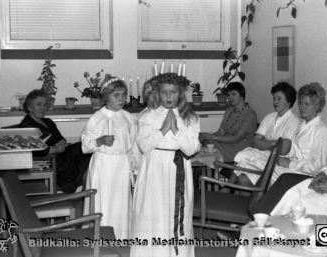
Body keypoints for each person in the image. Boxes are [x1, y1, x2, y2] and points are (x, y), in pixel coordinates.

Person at [250, 91, 327, 217]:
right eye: (301, 103)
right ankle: (257, 218)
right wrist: (324, 173)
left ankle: (259, 221)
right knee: (284, 180)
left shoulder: (323, 132)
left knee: (293, 195)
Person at [130, 73, 200, 257]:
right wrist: (162, 130)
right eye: (164, 92)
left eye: (173, 92)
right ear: (157, 94)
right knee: (152, 213)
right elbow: (144, 145)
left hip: (177, 170)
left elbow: (192, 148)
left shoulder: (191, 118)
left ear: (180, 94)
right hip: (153, 170)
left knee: (176, 216)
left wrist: (175, 129)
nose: (169, 97)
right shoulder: (148, 116)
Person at [231, 83, 327, 187]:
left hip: (303, 177)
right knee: (247, 161)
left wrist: (289, 163)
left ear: (317, 106)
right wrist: (284, 157)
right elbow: (292, 151)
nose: (302, 107)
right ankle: (232, 193)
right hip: (290, 168)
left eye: (307, 104)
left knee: (254, 167)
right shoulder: (301, 126)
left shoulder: (322, 131)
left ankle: (231, 190)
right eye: (300, 103)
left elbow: (318, 167)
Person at [81, 78, 137, 239]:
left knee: (120, 203)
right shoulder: (97, 118)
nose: (121, 98)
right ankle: (101, 237)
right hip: (103, 165)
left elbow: (132, 145)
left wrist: (134, 167)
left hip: (122, 164)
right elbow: (85, 144)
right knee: (103, 201)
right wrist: (100, 141)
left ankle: (121, 236)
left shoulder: (128, 117)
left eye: (124, 95)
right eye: (116, 95)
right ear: (106, 97)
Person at [225, 82, 301, 188]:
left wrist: (265, 143)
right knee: (245, 159)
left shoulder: (294, 122)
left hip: (277, 163)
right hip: (261, 157)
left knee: (243, 175)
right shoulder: (269, 117)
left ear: (289, 101)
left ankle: (227, 189)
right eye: (274, 98)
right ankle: (229, 192)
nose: (275, 102)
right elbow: (255, 142)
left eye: (279, 99)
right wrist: (275, 143)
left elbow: (283, 150)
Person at [19, 89, 92, 193]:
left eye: (45, 104)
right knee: (80, 149)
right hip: (47, 161)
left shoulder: (48, 122)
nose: (43, 108)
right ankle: (81, 187)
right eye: (39, 104)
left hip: (61, 155)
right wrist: (55, 149)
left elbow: (61, 139)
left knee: (84, 147)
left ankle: (82, 187)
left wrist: (61, 144)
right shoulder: (26, 126)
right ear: (29, 107)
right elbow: (34, 149)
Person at [199, 82, 257, 163]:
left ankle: (201, 173)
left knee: (208, 151)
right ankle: (198, 173)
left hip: (240, 150)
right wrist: (206, 136)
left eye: (233, 94)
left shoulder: (249, 114)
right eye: (229, 95)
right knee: (203, 143)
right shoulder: (229, 110)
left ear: (242, 95)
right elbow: (220, 132)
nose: (230, 97)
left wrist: (211, 137)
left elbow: (236, 139)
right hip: (225, 144)